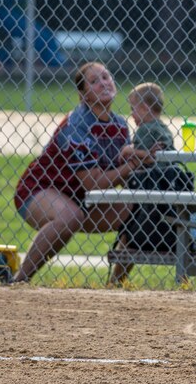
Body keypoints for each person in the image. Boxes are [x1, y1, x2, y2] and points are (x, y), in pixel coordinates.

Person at [12, 62, 157, 284]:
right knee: (69, 216)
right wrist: (133, 164)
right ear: (83, 96)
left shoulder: (119, 125)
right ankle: (19, 280)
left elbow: (123, 175)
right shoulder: (78, 124)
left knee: (136, 207)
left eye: (106, 77)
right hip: (40, 189)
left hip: (80, 199)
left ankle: (115, 285)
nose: (103, 83)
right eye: (93, 81)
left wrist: (149, 158)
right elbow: (93, 183)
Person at [127, 82, 176, 154]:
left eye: (132, 108)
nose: (131, 113)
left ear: (144, 109)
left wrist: (127, 150)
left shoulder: (144, 130)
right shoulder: (164, 128)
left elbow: (139, 156)